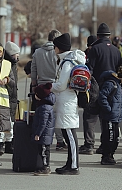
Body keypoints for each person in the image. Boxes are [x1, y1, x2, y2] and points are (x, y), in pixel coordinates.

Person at [79, 23, 121, 155]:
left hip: (96, 87)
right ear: (109, 36)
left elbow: (89, 70)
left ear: (98, 36)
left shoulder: (95, 49)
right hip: (111, 89)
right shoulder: (116, 50)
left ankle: (89, 145)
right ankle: (104, 145)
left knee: (90, 116)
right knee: (106, 118)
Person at [51, 33, 86, 175]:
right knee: (67, 133)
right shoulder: (67, 61)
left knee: (69, 134)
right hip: (67, 101)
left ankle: (74, 166)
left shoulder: (67, 63)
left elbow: (61, 85)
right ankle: (69, 163)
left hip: (67, 102)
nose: (54, 50)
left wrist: (49, 86)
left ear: (59, 48)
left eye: (55, 47)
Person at [31, 29, 67, 151]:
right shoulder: (58, 53)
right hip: (54, 86)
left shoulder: (37, 52)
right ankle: (60, 141)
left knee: (42, 115)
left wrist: (34, 85)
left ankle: (40, 138)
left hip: (41, 87)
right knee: (54, 115)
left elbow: (33, 70)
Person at [97, 64, 122, 165]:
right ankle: (106, 156)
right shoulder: (111, 84)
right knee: (110, 137)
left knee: (116, 137)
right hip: (110, 116)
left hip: (115, 116)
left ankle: (110, 155)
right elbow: (102, 97)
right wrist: (109, 109)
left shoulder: (119, 84)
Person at [0, 41, 20, 156]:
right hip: (6, 95)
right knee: (4, 121)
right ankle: (1, 144)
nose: (18, 56)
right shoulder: (5, 64)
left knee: (11, 122)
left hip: (12, 96)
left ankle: (8, 143)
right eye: (16, 54)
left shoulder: (14, 64)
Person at [32, 83, 56, 176]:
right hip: (46, 134)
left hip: (44, 134)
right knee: (44, 151)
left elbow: (43, 123)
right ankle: (44, 166)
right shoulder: (46, 105)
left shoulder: (44, 107)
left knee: (44, 151)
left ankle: (46, 167)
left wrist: (38, 134)